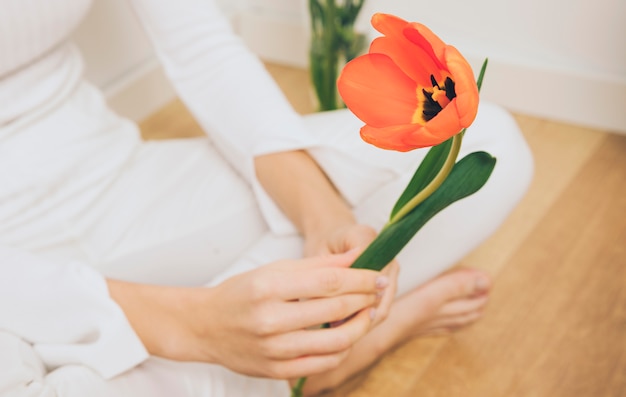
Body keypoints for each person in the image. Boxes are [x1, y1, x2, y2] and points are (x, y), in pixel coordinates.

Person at [0, 0, 534, 396]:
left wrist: (322, 212)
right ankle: (328, 361)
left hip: (115, 178)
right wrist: (192, 325)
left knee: (487, 145)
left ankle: (268, 361)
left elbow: (201, 49)